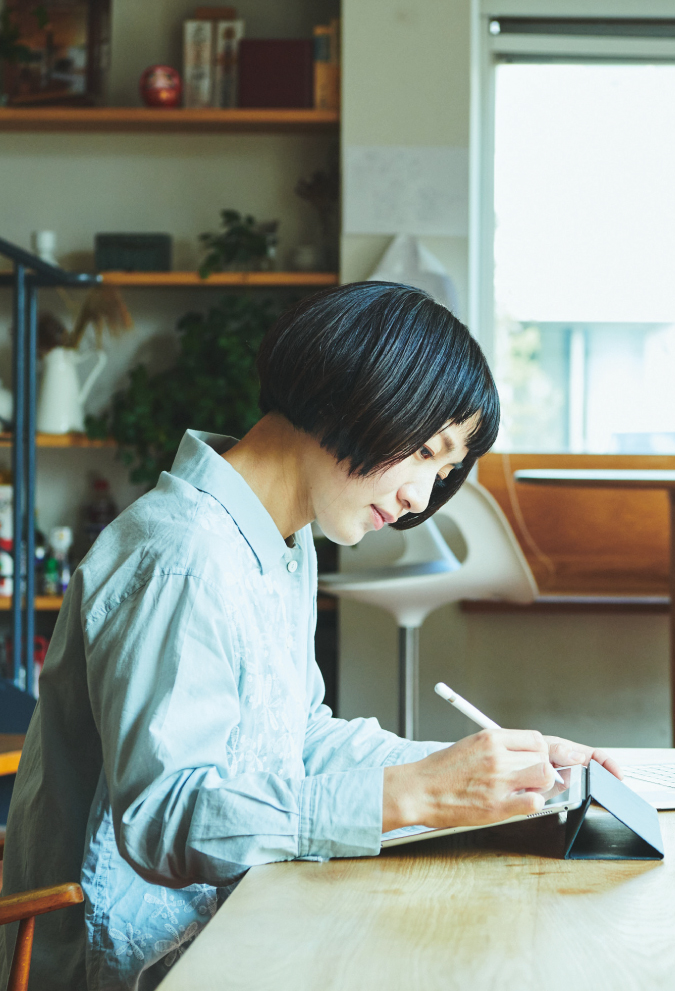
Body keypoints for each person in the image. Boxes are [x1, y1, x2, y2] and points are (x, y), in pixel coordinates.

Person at [0, 282, 621, 991]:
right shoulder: (181, 558)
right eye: (424, 450)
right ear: (346, 392)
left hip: (227, 919)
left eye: (443, 471)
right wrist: (407, 795)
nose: (422, 497)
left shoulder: (279, 543)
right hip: (134, 962)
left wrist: (483, 772)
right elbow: (165, 821)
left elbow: (293, 739)